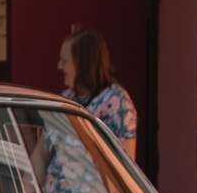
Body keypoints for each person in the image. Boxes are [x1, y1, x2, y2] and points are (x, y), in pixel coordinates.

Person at [58, 28, 138, 160]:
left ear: (83, 63)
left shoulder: (116, 102)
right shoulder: (65, 98)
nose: (59, 66)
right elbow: (42, 152)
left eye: (65, 61)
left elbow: (124, 163)